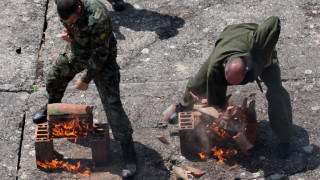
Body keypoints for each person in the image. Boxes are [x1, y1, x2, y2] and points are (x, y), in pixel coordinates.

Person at [32, 0, 136, 177]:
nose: (69, 23)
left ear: (79, 8)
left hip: (102, 59)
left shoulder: (97, 17)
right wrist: (68, 33)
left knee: (113, 106)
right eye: (66, 21)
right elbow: (68, 22)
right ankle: (52, 104)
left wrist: (85, 78)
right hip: (78, 49)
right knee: (54, 78)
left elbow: (100, 55)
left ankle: (129, 151)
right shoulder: (63, 3)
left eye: (72, 21)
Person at [169, 16, 293, 159]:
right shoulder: (216, 68)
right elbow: (216, 103)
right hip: (228, 37)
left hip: (248, 36)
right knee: (196, 84)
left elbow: (274, 21)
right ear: (224, 67)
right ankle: (182, 106)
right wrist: (220, 112)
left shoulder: (258, 44)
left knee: (277, 93)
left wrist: (268, 52)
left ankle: (285, 140)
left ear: (246, 66)